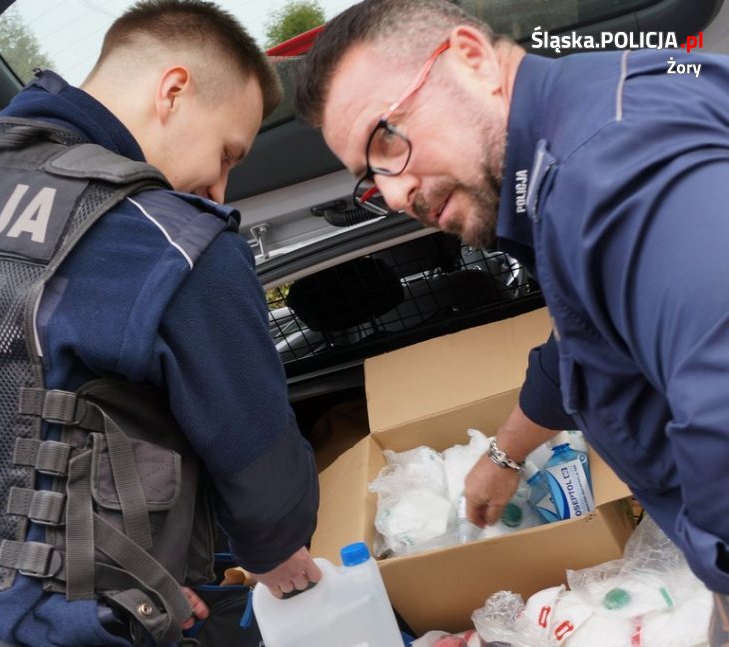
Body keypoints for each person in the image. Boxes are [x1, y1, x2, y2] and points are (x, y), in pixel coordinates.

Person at [0, 2, 321, 645]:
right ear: (173, 91)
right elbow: (260, 474)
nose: (219, 188)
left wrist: (134, 570)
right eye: (227, 152)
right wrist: (277, 550)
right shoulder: (163, 236)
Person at [295, 0, 729, 639]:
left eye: (386, 138)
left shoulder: (611, 175)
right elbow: (586, 344)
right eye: (369, 180)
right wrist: (502, 455)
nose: (392, 194)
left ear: (471, 58)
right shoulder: (568, 155)